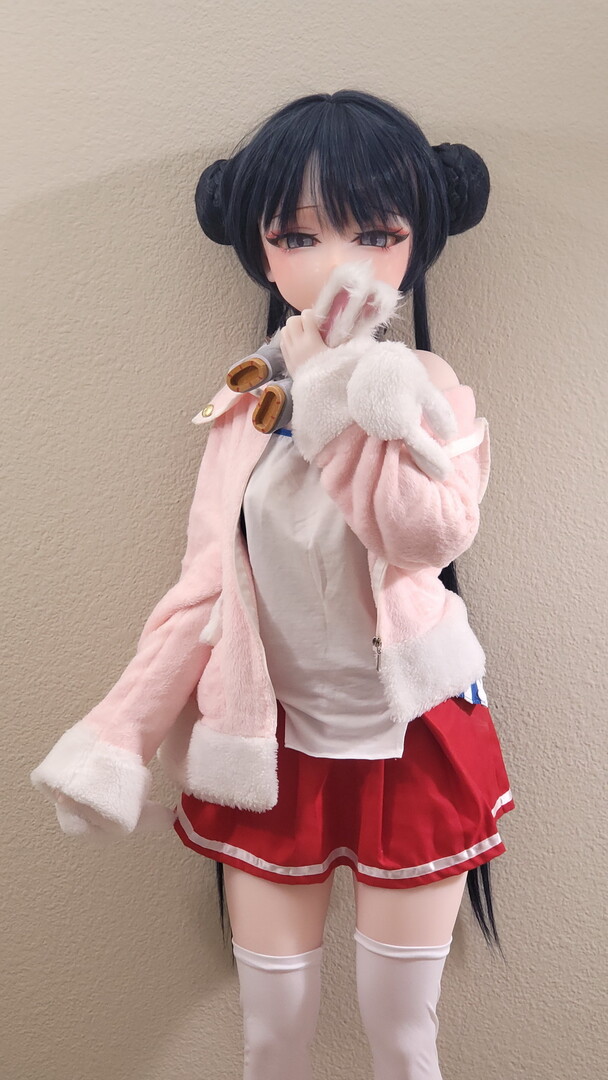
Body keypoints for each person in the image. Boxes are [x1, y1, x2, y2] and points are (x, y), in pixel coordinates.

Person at [31, 90, 515, 1079]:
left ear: (419, 239)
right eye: (298, 234)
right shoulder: (240, 405)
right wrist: (119, 734)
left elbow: (428, 536)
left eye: (374, 233)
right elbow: (203, 588)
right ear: (258, 248)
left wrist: (352, 403)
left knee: (402, 1037)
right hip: (268, 743)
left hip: (411, 733)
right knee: (272, 1037)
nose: (337, 262)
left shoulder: (425, 387)